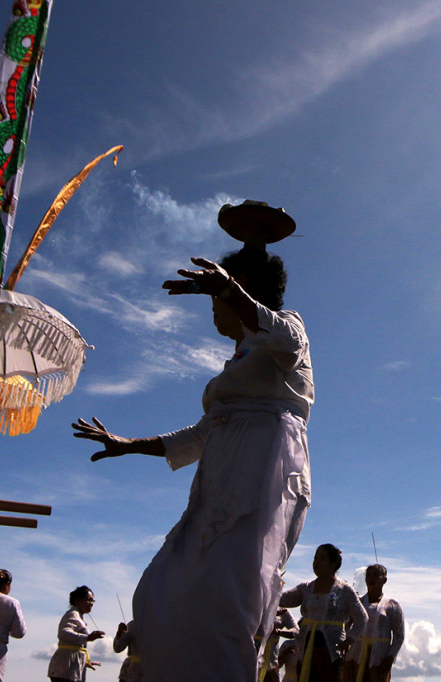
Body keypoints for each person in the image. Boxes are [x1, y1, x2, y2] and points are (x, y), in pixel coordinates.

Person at [73, 202, 313, 682]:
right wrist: (128, 444)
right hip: (223, 471)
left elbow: (278, 335)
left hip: (264, 470)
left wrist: (230, 288)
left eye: (214, 301)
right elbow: (203, 434)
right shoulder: (241, 359)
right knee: (164, 589)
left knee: (229, 594)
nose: (213, 310)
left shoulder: (288, 331)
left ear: (239, 295)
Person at [280, 544, 368, 682]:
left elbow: (362, 617)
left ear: (333, 563)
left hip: (331, 650)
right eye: (315, 558)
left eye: (322, 558)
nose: (316, 562)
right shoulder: (306, 588)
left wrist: (350, 639)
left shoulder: (344, 590)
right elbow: (281, 598)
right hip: (307, 648)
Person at [345, 564, 405, 682]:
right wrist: (347, 643)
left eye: (376, 575)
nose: (371, 578)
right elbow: (346, 624)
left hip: (379, 657)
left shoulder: (392, 605)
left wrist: (390, 657)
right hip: (355, 654)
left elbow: (399, 635)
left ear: (384, 580)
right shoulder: (358, 603)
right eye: (368, 575)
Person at [47, 586, 105, 682]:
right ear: (77, 600)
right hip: (65, 667)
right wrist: (87, 637)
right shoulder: (73, 614)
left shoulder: (79, 616)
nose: (91, 604)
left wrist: (85, 661)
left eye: (92, 601)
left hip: (71, 667)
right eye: (88, 600)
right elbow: (63, 633)